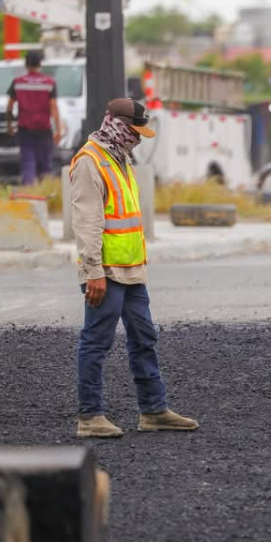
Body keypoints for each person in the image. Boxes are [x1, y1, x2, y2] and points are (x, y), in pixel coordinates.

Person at [70, 98, 198, 438]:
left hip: (131, 271)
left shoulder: (119, 157)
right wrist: (93, 271)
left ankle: (154, 410)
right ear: (117, 125)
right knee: (97, 342)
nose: (139, 139)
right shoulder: (90, 161)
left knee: (144, 338)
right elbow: (87, 222)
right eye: (135, 131)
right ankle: (90, 417)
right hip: (106, 273)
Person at [6, 50, 62, 186]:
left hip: (25, 129)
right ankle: (44, 189)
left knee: (28, 161)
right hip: (44, 129)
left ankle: (28, 187)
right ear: (40, 64)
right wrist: (58, 130)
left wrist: (10, 124)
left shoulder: (18, 82)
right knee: (44, 163)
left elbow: (9, 106)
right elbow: (53, 107)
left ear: (26, 65)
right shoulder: (49, 83)